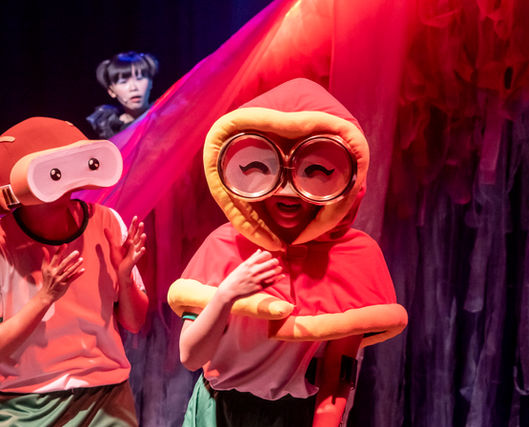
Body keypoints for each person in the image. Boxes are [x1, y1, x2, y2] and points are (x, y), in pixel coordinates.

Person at [167, 79, 408, 426]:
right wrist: (227, 294)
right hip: (217, 410)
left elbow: (338, 370)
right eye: (261, 168)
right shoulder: (224, 244)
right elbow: (190, 357)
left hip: (295, 416)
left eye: (316, 171)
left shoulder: (355, 255)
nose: (288, 190)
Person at [0, 117, 149, 426]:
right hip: (29, 405)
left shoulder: (107, 222)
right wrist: (44, 297)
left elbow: (135, 322)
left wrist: (125, 277)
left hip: (107, 398)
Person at [87, 51, 159, 138]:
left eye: (139, 78)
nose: (133, 87)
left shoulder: (165, 115)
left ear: (151, 83)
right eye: (123, 82)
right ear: (111, 91)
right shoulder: (108, 128)